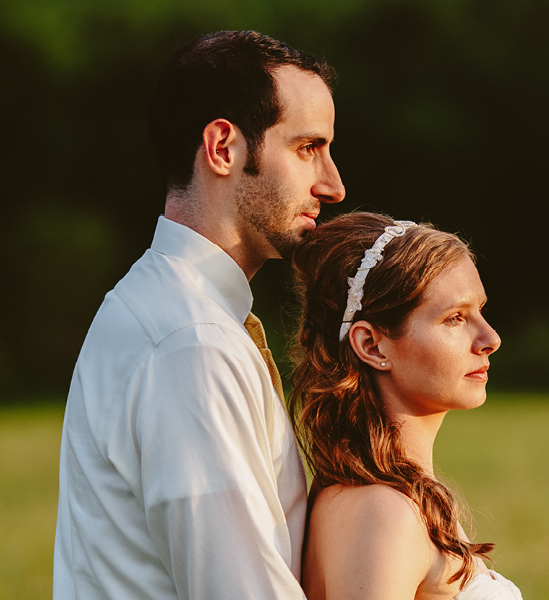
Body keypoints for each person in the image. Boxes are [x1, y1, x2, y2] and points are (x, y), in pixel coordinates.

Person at [53, 30, 345, 599]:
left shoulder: (167, 311)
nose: (333, 185)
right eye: (309, 148)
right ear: (222, 148)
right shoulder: (191, 342)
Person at [288, 212, 523, 600]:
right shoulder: (380, 512)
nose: (490, 338)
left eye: (480, 310)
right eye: (454, 318)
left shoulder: (395, 495)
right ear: (372, 346)